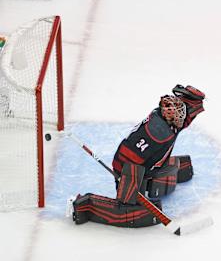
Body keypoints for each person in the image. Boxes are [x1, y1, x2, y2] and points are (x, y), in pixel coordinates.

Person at [70, 84, 205, 228]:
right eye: (180, 116)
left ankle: (150, 178)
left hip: (146, 162)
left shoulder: (168, 115)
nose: (182, 119)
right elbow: (127, 158)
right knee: (132, 203)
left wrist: (194, 99)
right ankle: (87, 207)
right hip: (128, 167)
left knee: (169, 165)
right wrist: (128, 184)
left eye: (182, 113)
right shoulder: (157, 131)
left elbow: (184, 114)